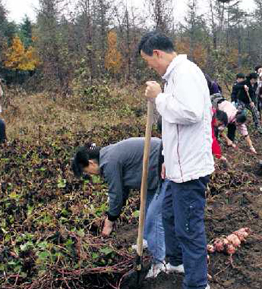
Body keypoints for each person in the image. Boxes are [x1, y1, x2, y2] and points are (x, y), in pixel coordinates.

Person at [141, 31, 213, 289]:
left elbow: (191, 113)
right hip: (176, 167)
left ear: (157, 54)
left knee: (188, 227)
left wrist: (158, 98)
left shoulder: (185, 74)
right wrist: (165, 159)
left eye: (149, 61)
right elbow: (173, 126)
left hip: (190, 170)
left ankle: (197, 284)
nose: (151, 66)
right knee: (170, 216)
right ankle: (177, 263)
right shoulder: (174, 77)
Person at [71, 137, 167, 278]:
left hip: (161, 162)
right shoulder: (108, 155)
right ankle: (146, 240)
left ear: (91, 163)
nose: (90, 174)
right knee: (147, 207)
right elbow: (122, 190)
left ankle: (159, 264)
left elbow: (116, 195)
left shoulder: (109, 162)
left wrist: (109, 222)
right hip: (152, 171)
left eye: (87, 171)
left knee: (155, 217)